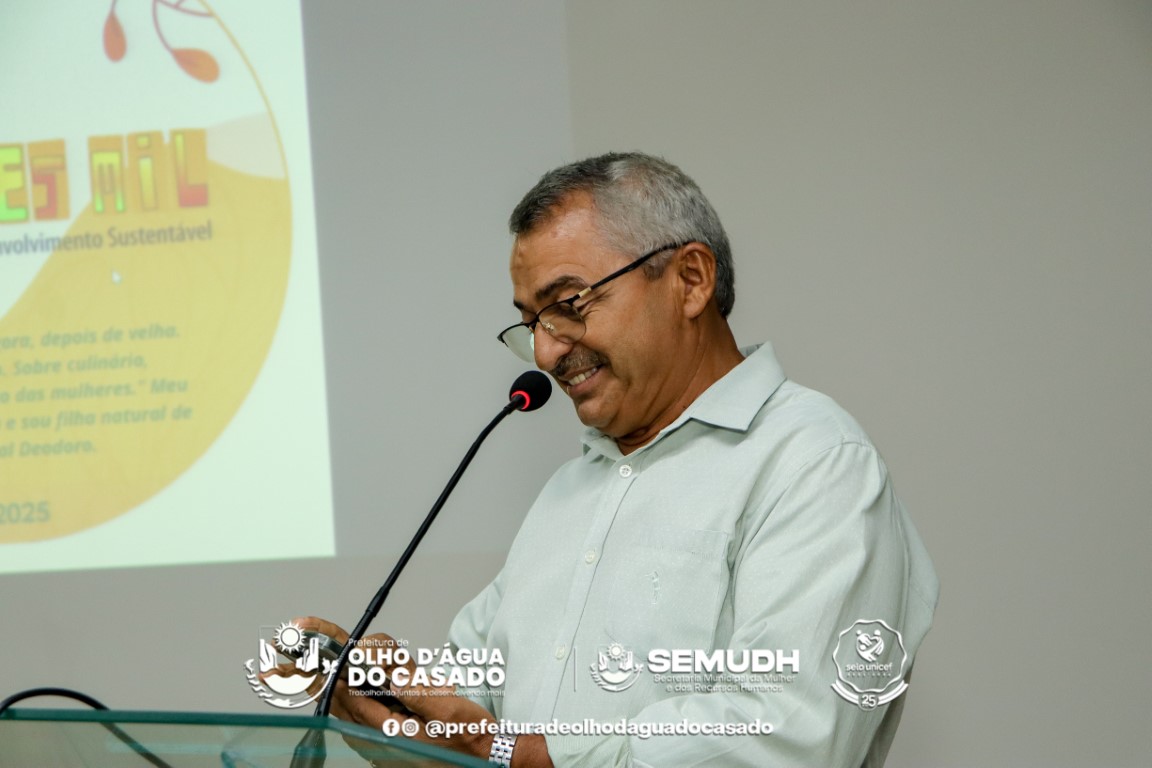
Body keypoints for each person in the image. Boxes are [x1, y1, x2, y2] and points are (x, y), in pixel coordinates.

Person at [304, 152, 938, 767]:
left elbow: (791, 738)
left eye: (569, 305)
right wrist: (395, 702)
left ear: (691, 280)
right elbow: (479, 707)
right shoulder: (571, 490)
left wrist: (515, 756)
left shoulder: (814, 462)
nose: (546, 353)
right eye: (532, 323)